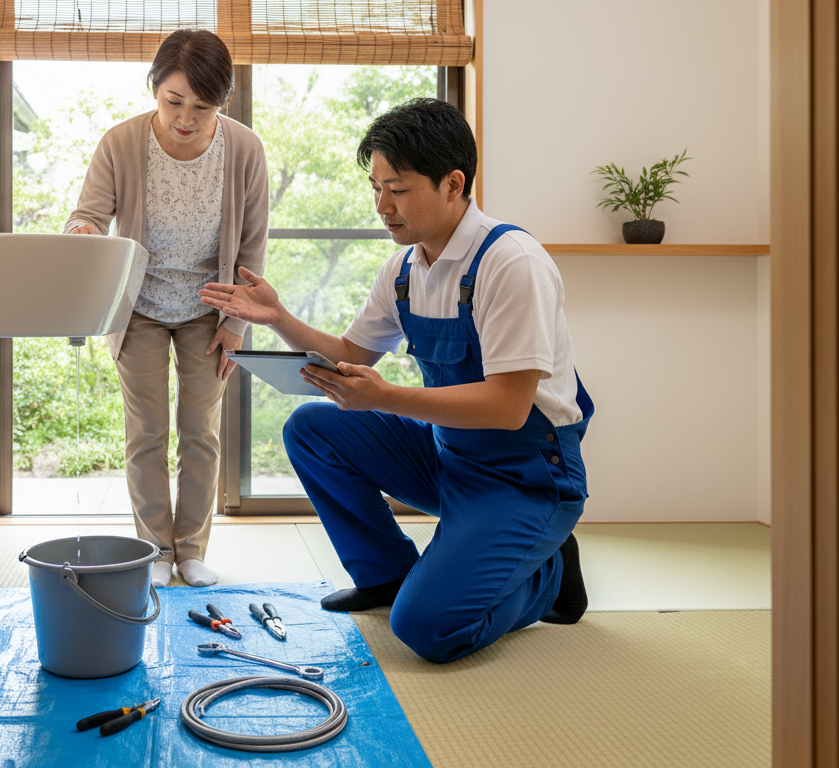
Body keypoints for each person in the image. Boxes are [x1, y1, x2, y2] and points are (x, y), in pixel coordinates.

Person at [198, 98, 593, 663]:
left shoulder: (512, 262)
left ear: (453, 183)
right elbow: (352, 352)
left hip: (527, 474)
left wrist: (383, 397)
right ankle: (385, 573)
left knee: (427, 629)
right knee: (312, 427)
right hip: (450, 457)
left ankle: (548, 575)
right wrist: (278, 317)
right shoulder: (404, 269)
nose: (383, 205)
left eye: (398, 189)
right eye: (376, 187)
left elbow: (508, 407)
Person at [66, 29, 269, 589]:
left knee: (201, 429)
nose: (186, 118)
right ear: (155, 88)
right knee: (147, 431)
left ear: (222, 102)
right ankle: (154, 550)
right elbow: (87, 215)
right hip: (140, 306)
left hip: (212, 307)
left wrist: (236, 322)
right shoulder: (120, 143)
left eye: (202, 107)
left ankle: (192, 550)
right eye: (174, 101)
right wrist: (83, 232)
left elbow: (252, 246)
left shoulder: (245, 150)